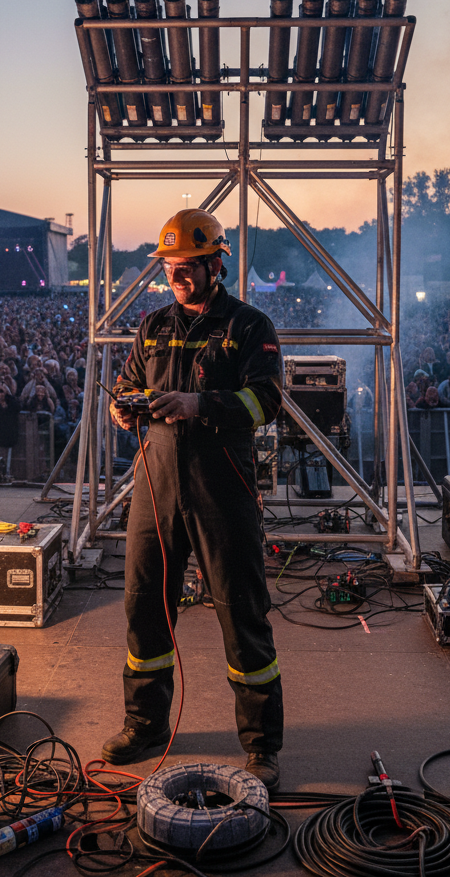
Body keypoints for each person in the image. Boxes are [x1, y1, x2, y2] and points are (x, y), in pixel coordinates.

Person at [104, 209, 285, 791]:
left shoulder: (249, 325)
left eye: (187, 267)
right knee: (143, 607)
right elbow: (131, 380)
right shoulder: (153, 325)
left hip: (222, 488)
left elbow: (266, 400)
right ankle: (145, 725)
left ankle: (260, 747)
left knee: (240, 612)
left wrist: (199, 404)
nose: (177, 276)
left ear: (216, 263)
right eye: (170, 267)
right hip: (155, 485)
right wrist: (123, 405)